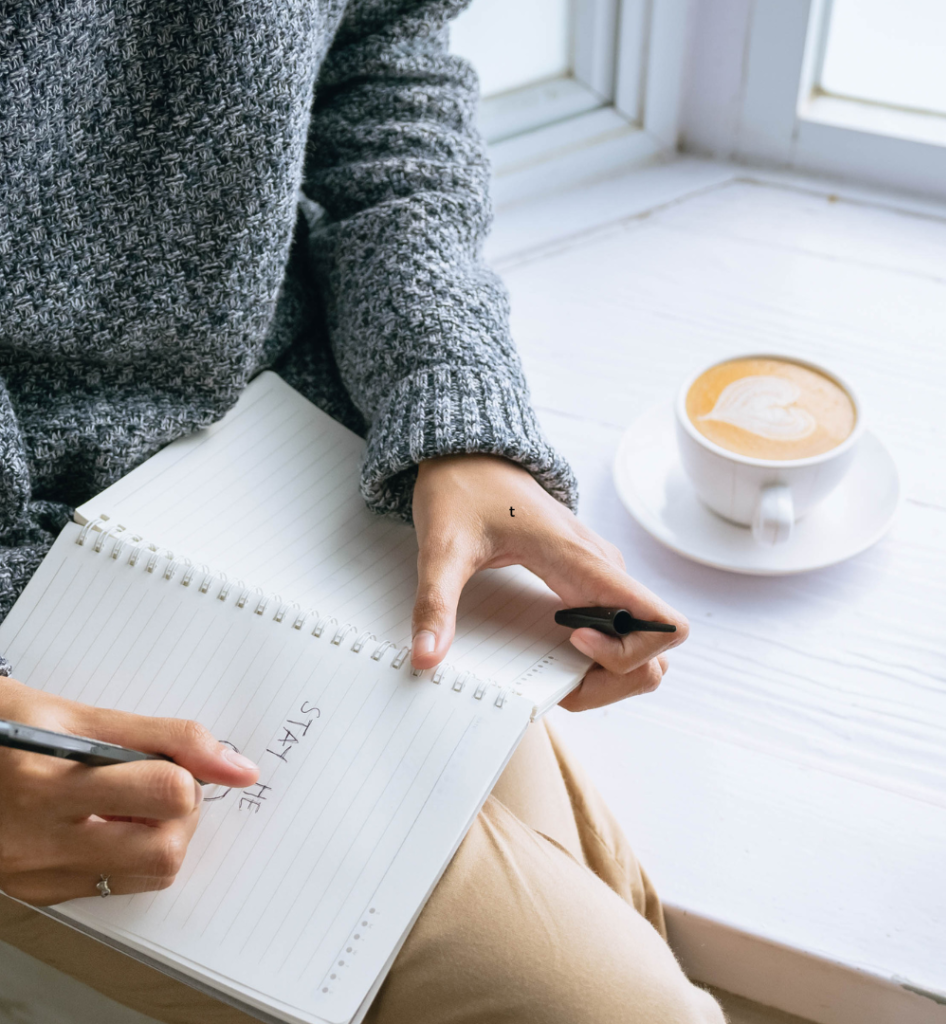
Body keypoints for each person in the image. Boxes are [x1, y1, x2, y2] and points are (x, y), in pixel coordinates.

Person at [0, 1, 726, 1021]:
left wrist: (448, 397)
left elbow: (379, 59)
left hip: (285, 465)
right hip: (29, 626)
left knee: (619, 915)